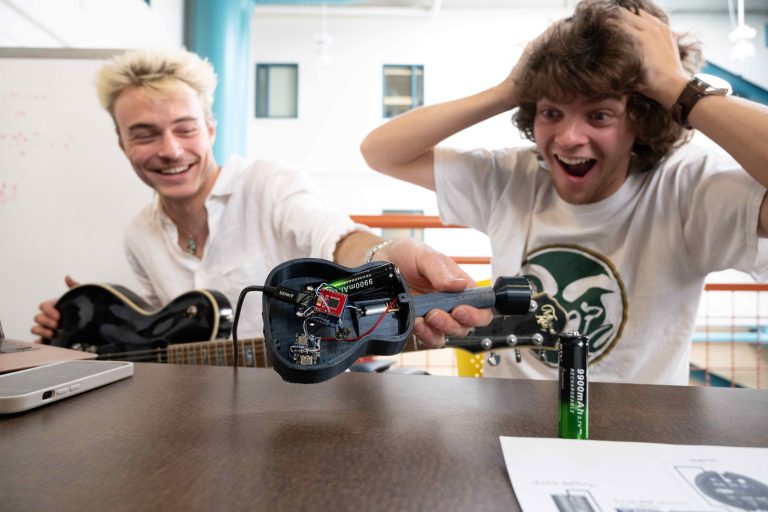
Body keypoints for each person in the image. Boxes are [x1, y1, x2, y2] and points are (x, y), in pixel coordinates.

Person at [360, 0, 768, 385]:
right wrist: (512, 88)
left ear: (640, 123)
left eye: (599, 115)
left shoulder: (686, 188)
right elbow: (381, 152)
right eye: (551, 112)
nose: (570, 137)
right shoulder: (513, 178)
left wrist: (677, 87)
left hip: (638, 427)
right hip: (510, 422)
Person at [31, 47, 491, 347]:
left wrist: (382, 259)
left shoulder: (270, 184)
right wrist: (86, 323)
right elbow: (154, 331)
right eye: (145, 134)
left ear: (210, 129)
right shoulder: (139, 235)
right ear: (122, 143)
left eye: (185, 129)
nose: (170, 150)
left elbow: (334, 237)